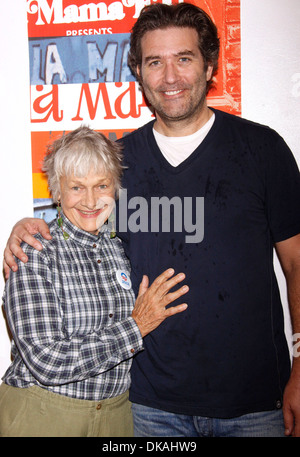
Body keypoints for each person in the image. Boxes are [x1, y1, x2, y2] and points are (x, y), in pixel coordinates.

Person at [3, 3, 300, 437]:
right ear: (139, 73)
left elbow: (295, 264)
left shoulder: (263, 150)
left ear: (210, 64)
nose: (170, 77)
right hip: (148, 407)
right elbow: (77, 224)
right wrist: (23, 227)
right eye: (154, 62)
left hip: (253, 404)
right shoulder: (116, 164)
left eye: (184, 58)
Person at [0, 126, 188, 437]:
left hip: (117, 416)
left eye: (101, 185)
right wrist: (136, 327)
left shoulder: (122, 245)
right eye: (76, 187)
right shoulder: (34, 252)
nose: (90, 201)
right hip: (42, 414)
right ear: (57, 191)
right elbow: (46, 361)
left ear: (115, 187)